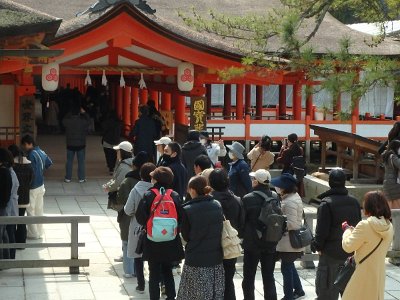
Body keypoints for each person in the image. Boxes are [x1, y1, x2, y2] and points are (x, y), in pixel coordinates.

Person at [311, 168, 361, 300]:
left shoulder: (326, 203)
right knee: (349, 294)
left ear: (330, 182)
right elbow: (357, 227)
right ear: (344, 182)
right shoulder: (354, 202)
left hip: (330, 254)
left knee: (326, 293)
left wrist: (318, 246)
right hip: (350, 253)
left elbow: (321, 231)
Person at [136, 167, 184, 300]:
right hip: (170, 239)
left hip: (152, 240)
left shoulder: (149, 194)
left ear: (155, 180)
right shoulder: (174, 195)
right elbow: (181, 217)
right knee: (168, 270)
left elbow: (140, 217)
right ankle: (170, 296)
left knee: (154, 273)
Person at [177, 175, 224, 300]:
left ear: (192, 190)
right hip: (215, 258)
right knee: (214, 294)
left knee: (194, 294)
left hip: (196, 259)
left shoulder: (187, 209)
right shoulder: (217, 205)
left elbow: (186, 236)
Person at [341, 191, 394, 300]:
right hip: (378, 273)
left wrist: (347, 231)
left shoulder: (365, 225)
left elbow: (347, 246)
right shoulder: (389, 226)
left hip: (362, 273)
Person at [241, 169, 279, 300]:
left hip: (252, 243)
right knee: (269, 276)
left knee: (249, 277)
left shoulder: (248, 198)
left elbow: (242, 221)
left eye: (253, 179)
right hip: (270, 241)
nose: (252, 181)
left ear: (257, 181)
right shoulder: (275, 196)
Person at [209, 168, 243, 300]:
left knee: (213, 283)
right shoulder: (237, 200)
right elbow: (241, 223)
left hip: (213, 247)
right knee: (228, 280)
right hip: (231, 245)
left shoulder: (210, 202)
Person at [271, 173, 305, 300]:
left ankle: (288, 296)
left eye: (278, 186)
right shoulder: (292, 197)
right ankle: (299, 290)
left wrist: (277, 225)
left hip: (288, 240)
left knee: (286, 268)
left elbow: (291, 223)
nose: (276, 187)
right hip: (290, 240)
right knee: (289, 265)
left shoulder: (289, 202)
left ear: (284, 187)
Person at [115, 151, 149, 278]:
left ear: (134, 165)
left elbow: (121, 198)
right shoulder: (152, 183)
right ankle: (138, 271)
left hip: (128, 217)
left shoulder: (128, 180)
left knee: (127, 242)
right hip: (145, 219)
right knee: (140, 244)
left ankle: (129, 271)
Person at [124, 162, 156, 294]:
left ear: (141, 175)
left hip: (137, 225)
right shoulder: (157, 189)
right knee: (153, 255)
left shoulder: (136, 189)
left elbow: (127, 209)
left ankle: (141, 285)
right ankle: (155, 283)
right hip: (155, 225)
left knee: (138, 254)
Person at [21, 135, 52, 239]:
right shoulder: (41, 151)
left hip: (32, 186)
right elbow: (49, 163)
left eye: (24, 145)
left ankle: (33, 234)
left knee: (30, 210)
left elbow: (30, 173)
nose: (24, 147)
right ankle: (39, 231)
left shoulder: (30, 155)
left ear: (28, 143)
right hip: (41, 184)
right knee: (39, 209)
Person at [8, 144, 34, 245]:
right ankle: (21, 243)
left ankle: (12, 242)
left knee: (12, 220)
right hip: (25, 197)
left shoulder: (12, 166)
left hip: (14, 198)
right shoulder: (29, 165)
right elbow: (31, 180)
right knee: (22, 218)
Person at [62, 106, 90, 183]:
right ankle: (81, 178)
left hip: (70, 144)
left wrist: (69, 113)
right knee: (81, 162)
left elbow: (63, 120)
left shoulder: (67, 121)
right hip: (81, 144)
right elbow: (89, 120)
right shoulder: (83, 121)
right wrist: (84, 113)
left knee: (69, 161)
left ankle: (68, 178)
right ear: (79, 113)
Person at [0, 148, 19, 259]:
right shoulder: (8, 172)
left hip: (5, 207)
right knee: (5, 234)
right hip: (7, 206)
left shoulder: (6, 173)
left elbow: (6, 193)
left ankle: (6, 259)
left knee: (5, 233)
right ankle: (8, 258)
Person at [101, 110, 122, 175]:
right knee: (114, 155)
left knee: (108, 155)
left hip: (107, 141)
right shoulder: (119, 123)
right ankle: (112, 166)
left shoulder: (106, 122)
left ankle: (110, 167)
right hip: (116, 141)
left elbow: (103, 130)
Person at [0, 150, 12, 259]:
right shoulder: (8, 172)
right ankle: (6, 259)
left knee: (1, 234)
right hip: (4, 205)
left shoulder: (3, 173)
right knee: (3, 233)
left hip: (1, 206)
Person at [382, 139, 400, 209]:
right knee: (397, 209)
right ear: (396, 148)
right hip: (394, 185)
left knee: (390, 208)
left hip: (388, 184)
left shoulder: (387, 155)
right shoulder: (393, 156)